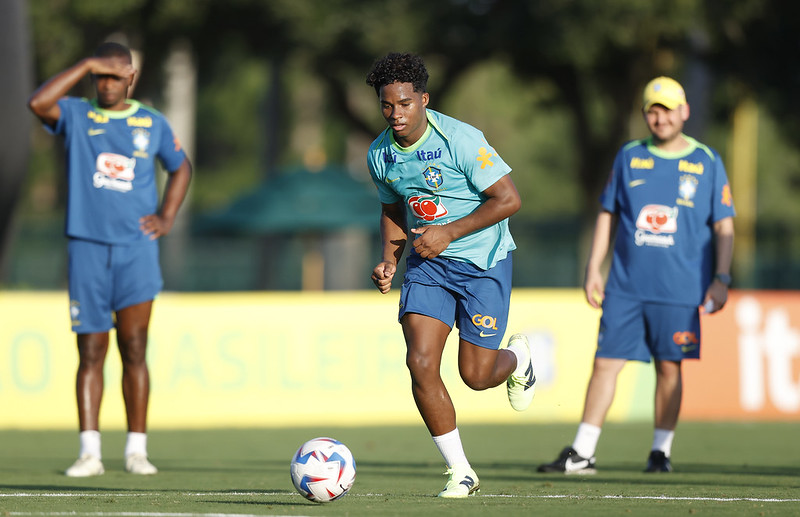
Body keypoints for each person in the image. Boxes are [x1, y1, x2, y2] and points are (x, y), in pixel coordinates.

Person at [538, 77, 735, 474]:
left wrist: (722, 277)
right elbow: (608, 213)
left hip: (680, 288)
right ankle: (583, 452)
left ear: (684, 112)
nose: (659, 117)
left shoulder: (707, 161)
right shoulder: (629, 156)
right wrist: (594, 267)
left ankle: (660, 452)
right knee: (606, 363)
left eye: (666, 109)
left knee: (669, 367)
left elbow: (724, 224)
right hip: (626, 285)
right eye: (652, 109)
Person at [365, 52, 536, 498]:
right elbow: (392, 209)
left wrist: (449, 233)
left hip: (483, 263)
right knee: (420, 363)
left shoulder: (461, 139)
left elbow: (508, 199)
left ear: (423, 99)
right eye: (387, 105)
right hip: (428, 267)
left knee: (476, 376)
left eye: (404, 103)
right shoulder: (380, 154)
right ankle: (460, 471)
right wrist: (390, 258)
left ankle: (518, 360)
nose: (396, 114)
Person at [28, 41, 192, 477]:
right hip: (86, 246)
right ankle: (89, 453)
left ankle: (136, 450)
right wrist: (83, 63)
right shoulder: (79, 115)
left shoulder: (150, 122)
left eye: (115, 76)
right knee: (91, 350)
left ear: (131, 79)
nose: (106, 84)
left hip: (136, 250)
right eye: (100, 75)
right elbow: (38, 102)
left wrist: (166, 216)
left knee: (134, 347)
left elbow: (181, 167)